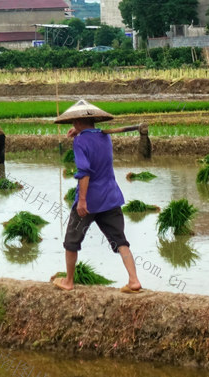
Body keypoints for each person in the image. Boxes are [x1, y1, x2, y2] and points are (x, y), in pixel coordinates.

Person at [51, 100, 142, 294]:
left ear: (76, 122)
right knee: (120, 241)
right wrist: (80, 133)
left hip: (90, 200)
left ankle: (68, 281)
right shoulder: (104, 137)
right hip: (110, 197)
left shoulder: (80, 141)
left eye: (74, 123)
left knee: (71, 241)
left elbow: (84, 172)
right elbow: (92, 142)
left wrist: (82, 201)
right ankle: (134, 280)